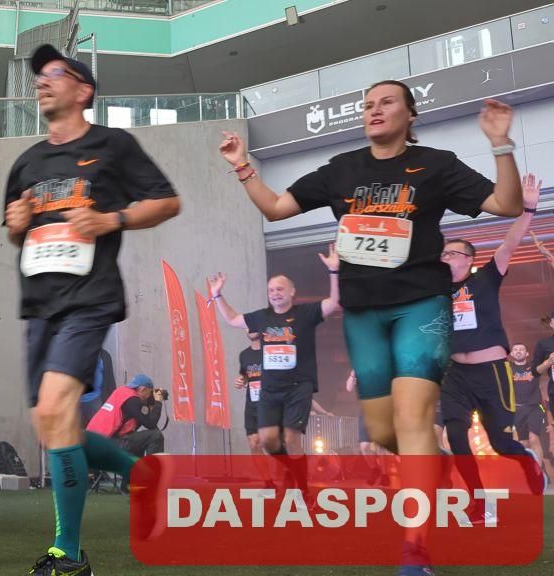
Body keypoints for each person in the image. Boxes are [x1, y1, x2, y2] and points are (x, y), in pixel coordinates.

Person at [218, 79, 524, 575]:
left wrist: (500, 144)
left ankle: (415, 551)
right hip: (364, 313)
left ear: (410, 114)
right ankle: (434, 465)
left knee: (413, 417)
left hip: (422, 305)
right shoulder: (342, 169)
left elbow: (506, 205)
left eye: (386, 102)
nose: (373, 110)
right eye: (367, 105)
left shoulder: (437, 165)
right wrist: (241, 165)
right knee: (382, 429)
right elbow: (275, 208)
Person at [4, 44, 180, 576]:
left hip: (89, 298)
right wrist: (16, 225)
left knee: (56, 407)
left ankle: (69, 555)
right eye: (38, 77)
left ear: (84, 90)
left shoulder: (113, 145)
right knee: (53, 425)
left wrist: (110, 220)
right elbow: (16, 230)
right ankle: (139, 475)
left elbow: (167, 201)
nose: (41, 81)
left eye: (54, 73)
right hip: (39, 305)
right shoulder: (26, 162)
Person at [439, 171, 547, 519]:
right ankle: (478, 500)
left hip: (491, 373)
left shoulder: (486, 278)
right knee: (456, 436)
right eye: (443, 253)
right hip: (455, 375)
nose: (445, 257)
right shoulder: (436, 293)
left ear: (468, 259)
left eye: (452, 253)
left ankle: (528, 464)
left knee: (500, 442)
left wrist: (528, 210)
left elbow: (509, 244)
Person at [207, 247, 340, 505]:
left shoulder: (305, 313)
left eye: (280, 289)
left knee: (291, 438)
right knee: (268, 441)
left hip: (298, 386)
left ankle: (303, 489)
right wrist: (217, 295)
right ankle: (294, 470)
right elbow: (233, 319)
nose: (275, 293)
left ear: (291, 292)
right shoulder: (262, 317)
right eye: (271, 290)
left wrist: (333, 271)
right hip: (269, 389)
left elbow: (333, 303)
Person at [86, 374, 166, 457]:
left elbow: (142, 418)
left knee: (138, 440)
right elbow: (150, 424)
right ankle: (153, 465)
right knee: (156, 436)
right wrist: (158, 402)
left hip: (93, 442)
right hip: (106, 444)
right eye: (150, 392)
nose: (150, 396)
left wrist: (151, 404)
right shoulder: (132, 400)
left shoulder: (121, 392)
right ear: (143, 389)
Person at [235, 333, 276, 489]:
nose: (249, 329)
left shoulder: (271, 350)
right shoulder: (244, 355)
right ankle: (269, 483)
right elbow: (245, 375)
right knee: (254, 443)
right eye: (247, 326)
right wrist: (241, 380)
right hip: (252, 405)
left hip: (271, 404)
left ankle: (294, 477)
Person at [509, 343, 554, 478]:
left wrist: (549, 360)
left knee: (534, 438)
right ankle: (528, 471)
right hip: (518, 409)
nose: (518, 351)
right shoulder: (507, 368)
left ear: (527, 353)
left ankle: (538, 472)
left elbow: (544, 366)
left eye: (521, 349)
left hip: (535, 407)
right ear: (512, 354)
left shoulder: (534, 366)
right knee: (524, 442)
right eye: (515, 350)